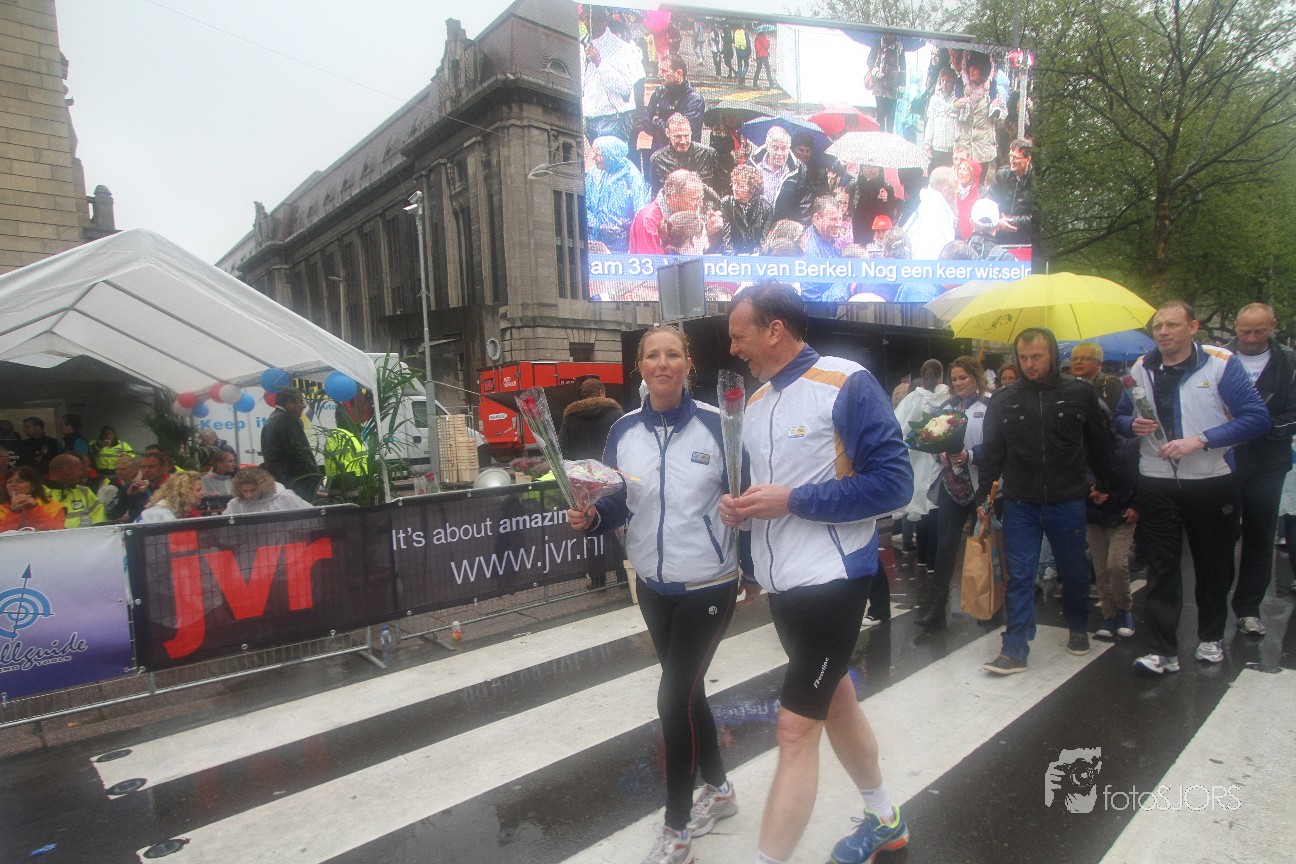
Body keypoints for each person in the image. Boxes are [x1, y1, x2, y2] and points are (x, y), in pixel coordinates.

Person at [719, 284, 913, 864]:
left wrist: (793, 501)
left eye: (739, 336)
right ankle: (885, 820)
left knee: (794, 730)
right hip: (784, 588)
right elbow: (767, 494)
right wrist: (741, 509)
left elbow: (894, 484)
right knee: (838, 701)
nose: (733, 349)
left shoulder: (846, 381)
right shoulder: (755, 403)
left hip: (835, 581)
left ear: (774, 330)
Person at [567, 325, 739, 864]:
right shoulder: (623, 431)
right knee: (687, 693)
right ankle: (720, 789)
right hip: (652, 585)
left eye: (672, 354)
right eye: (652, 356)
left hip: (709, 583)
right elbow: (619, 501)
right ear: (639, 366)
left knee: (671, 699)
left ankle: (677, 828)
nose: (662, 363)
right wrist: (592, 518)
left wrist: (756, 570)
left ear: (688, 363)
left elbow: (744, 499)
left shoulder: (719, 425)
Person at [1116, 301, 1269, 673]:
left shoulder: (1220, 363)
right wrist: (1130, 426)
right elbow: (1119, 417)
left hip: (1210, 479)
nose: (1163, 332)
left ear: (1193, 327)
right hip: (1156, 479)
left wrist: (1201, 440)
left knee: (1213, 564)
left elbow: (1256, 418)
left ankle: (1211, 637)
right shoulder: (1141, 368)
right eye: (1158, 326)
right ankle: (1162, 650)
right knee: (1162, 566)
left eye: (1172, 324)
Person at [976, 327, 1116, 674]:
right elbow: (992, 453)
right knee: (1020, 576)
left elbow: (1099, 444)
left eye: (1036, 356)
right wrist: (984, 498)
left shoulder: (1079, 393)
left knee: (1074, 570)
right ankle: (1014, 647)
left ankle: (1078, 626)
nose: (1029, 364)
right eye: (1023, 358)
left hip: (1067, 499)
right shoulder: (1003, 399)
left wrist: (1106, 484)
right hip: (1020, 501)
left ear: (1052, 354)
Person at [1225, 303, 1296, 635]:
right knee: (1218, 536)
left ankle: (1248, 609)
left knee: (1260, 537)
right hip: (1223, 461)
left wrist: (1256, 425)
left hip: (1268, 463)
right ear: (1235, 327)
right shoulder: (1217, 358)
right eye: (1245, 331)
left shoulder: (1290, 362)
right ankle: (1213, 605)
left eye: (1260, 331)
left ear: (1273, 326)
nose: (1252, 338)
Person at [917, 357, 990, 628]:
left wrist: (970, 455)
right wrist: (940, 453)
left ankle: (990, 603)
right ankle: (937, 607)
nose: (958, 383)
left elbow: (997, 444)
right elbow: (932, 442)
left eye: (963, 377)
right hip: (951, 485)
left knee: (986, 545)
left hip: (981, 486)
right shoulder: (945, 408)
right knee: (945, 546)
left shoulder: (989, 406)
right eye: (955, 378)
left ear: (975, 377)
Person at [894, 359, 950, 572]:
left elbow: (898, 428)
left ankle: (923, 558)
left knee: (921, 511)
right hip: (941, 462)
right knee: (935, 511)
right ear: (941, 375)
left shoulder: (912, 399)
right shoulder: (948, 397)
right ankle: (933, 560)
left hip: (917, 463)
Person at [586, 135, 651, 252]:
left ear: (610, 155)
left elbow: (640, 214)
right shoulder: (594, 173)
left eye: (598, 154)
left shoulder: (632, 176)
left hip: (621, 245)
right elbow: (585, 204)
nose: (594, 158)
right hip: (595, 241)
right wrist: (593, 225)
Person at [261, 386, 320, 502]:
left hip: (281, 483)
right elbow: (301, 453)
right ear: (289, 403)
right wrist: (315, 478)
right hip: (297, 484)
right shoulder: (288, 420)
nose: (304, 406)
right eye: (301, 401)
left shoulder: (272, 419)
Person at [629, 169, 705, 255]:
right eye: (694, 199)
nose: (699, 204)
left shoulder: (690, 213)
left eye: (701, 198)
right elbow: (653, 261)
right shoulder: (648, 220)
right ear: (674, 197)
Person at [643, 54, 706, 154]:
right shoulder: (659, 92)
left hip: (684, 155)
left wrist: (655, 120)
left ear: (679, 73)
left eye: (664, 71)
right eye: (659, 70)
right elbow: (645, 121)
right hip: (658, 152)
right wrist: (663, 126)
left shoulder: (694, 99)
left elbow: (680, 133)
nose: (659, 74)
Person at [750, 126, 812, 224]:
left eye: (784, 148)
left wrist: (797, 227)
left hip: (783, 226)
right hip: (754, 225)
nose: (780, 153)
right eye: (775, 148)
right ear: (767, 146)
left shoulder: (799, 169)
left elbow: (805, 204)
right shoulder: (752, 164)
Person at [650, 113, 718, 195]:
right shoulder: (658, 160)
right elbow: (656, 194)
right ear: (667, 133)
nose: (683, 141)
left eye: (686, 136)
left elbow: (721, 190)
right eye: (678, 136)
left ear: (691, 133)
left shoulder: (708, 154)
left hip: (703, 201)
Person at [560, 377, 624, 461]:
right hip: (609, 466)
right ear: (601, 393)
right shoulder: (616, 413)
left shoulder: (570, 417)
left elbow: (563, 449)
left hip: (581, 468)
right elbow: (625, 443)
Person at [905, 166, 958, 260]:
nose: (957, 194)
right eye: (955, 189)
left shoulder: (928, 205)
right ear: (945, 190)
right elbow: (931, 257)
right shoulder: (933, 215)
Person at [988, 138, 1034, 244]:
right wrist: (999, 221)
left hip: (1026, 237)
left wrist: (1013, 221)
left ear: (1028, 160)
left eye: (1016, 157)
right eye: (1010, 156)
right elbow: (989, 203)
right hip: (1000, 235)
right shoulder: (1002, 175)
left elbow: (1038, 217)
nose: (1012, 161)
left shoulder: (1036, 180)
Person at [720, 164, 774, 254]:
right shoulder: (726, 203)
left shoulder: (766, 208)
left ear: (752, 188)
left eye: (740, 186)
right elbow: (725, 238)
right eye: (734, 183)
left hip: (754, 256)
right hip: (731, 255)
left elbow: (763, 241)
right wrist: (731, 257)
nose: (734, 188)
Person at [45, 453, 106, 528]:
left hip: (87, 535)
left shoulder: (85, 491)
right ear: (67, 470)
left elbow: (98, 520)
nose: (81, 473)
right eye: (80, 469)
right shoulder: (39, 493)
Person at [1, 466, 67, 532]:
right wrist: (13, 512)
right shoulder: (1, 510)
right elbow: (3, 535)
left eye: (20, 481)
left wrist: (34, 508)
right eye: (9, 482)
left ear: (33, 486)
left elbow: (55, 533)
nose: (13, 484)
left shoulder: (53, 507)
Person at [223, 466, 313, 515]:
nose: (249, 495)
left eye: (253, 490)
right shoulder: (236, 503)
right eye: (245, 491)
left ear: (263, 486)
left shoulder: (285, 497)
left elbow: (311, 514)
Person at [110, 451, 170, 522]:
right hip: (138, 527)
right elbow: (111, 514)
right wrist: (126, 496)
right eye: (143, 467)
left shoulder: (174, 487)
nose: (147, 470)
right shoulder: (132, 487)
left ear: (163, 468)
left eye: (151, 467)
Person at [1068, 341, 1125, 413]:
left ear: (1098, 363)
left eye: (1084, 358)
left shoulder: (1110, 384)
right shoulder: (1066, 386)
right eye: (1074, 359)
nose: (1078, 362)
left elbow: (1110, 415)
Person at [867, 34, 906, 133]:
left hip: (893, 87)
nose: (890, 35)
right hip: (880, 87)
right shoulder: (877, 44)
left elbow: (903, 68)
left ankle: (889, 138)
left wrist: (902, 84)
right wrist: (876, 71)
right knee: (880, 117)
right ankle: (880, 137)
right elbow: (870, 61)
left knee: (890, 119)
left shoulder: (899, 46)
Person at [924, 68, 959, 172]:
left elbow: (959, 124)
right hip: (937, 146)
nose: (944, 84)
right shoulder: (934, 99)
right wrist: (927, 143)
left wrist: (957, 144)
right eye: (942, 80)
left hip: (951, 147)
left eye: (948, 81)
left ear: (953, 82)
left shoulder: (956, 100)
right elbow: (930, 122)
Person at [137, 471, 205, 523]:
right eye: (198, 490)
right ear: (183, 492)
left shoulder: (176, 510)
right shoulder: (164, 514)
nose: (203, 493)